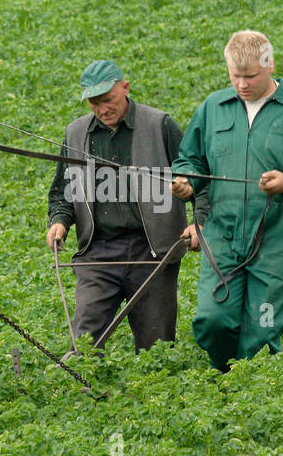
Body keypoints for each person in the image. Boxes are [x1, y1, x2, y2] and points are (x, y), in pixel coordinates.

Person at [171, 31, 283, 371]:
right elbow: (191, 159)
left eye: (250, 76)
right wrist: (187, 183)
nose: (243, 85)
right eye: (235, 76)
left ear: (270, 65)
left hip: (277, 239)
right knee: (212, 319)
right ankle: (226, 378)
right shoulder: (213, 109)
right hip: (222, 235)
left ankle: (251, 389)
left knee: (262, 329)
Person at [47, 60, 207, 351]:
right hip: (98, 252)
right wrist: (59, 220)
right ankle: (82, 389)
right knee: (83, 342)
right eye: (94, 103)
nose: (102, 109)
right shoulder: (76, 134)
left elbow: (197, 175)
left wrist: (199, 221)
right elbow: (63, 191)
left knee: (155, 348)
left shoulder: (159, 125)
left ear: (125, 88)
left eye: (108, 100)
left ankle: (154, 394)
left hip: (153, 250)